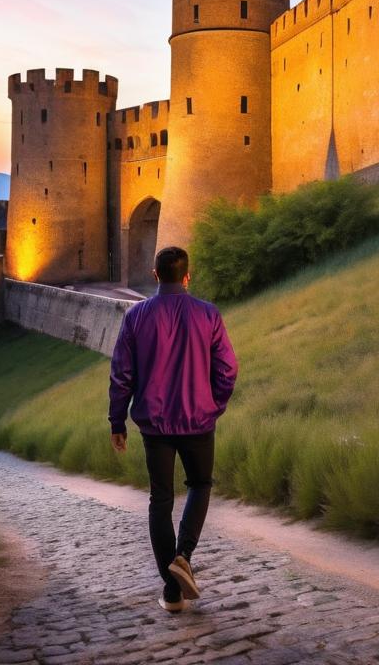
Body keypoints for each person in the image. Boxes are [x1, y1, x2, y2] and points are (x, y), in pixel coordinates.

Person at [108, 246, 238, 613]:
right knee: (200, 485)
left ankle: (171, 592)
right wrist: (214, 405)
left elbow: (122, 376)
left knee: (160, 500)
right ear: (187, 277)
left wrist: (117, 421)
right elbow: (227, 370)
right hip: (199, 420)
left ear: (154, 276)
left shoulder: (135, 317)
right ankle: (183, 556)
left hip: (155, 425)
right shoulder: (208, 314)